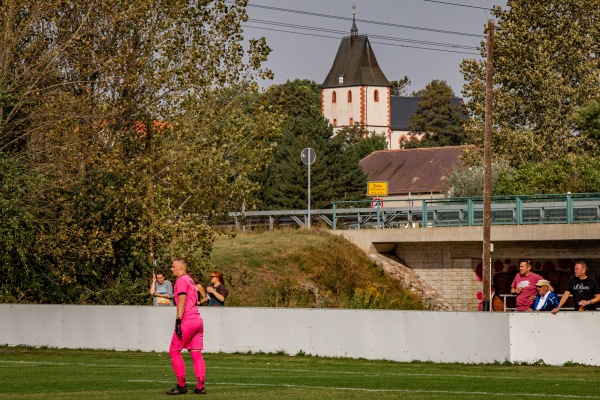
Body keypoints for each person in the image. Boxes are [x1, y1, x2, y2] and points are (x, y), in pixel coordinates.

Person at [166, 258, 206, 395]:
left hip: (187, 320)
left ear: (181, 268)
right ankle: (200, 387)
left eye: (173, 266)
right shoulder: (190, 280)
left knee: (174, 351)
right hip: (198, 320)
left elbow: (182, 302)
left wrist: (178, 321)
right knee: (196, 353)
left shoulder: (181, 280)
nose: (171, 269)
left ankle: (182, 386)